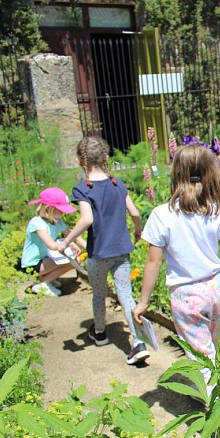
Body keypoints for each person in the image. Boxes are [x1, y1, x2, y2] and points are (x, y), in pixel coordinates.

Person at [131, 143, 220, 438]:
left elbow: (153, 262)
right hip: (216, 287)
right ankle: (211, 394)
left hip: (186, 294)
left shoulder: (161, 215)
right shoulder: (216, 212)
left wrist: (142, 302)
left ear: (176, 174)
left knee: (201, 354)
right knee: (212, 348)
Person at [57, 136, 148, 366]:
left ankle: (99, 333)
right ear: (106, 158)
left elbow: (86, 219)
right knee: (126, 295)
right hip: (121, 252)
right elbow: (135, 213)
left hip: (98, 254)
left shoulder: (82, 189)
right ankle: (138, 343)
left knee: (99, 293)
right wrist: (138, 231)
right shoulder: (118, 184)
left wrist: (66, 242)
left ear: (80, 161)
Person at [21, 187, 87, 296]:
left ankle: (49, 279)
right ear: (48, 208)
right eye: (60, 209)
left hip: (45, 259)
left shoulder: (56, 221)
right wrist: (67, 244)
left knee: (74, 259)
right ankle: (42, 283)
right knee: (73, 261)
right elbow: (51, 245)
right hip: (32, 264)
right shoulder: (37, 223)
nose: (63, 212)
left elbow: (72, 234)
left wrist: (85, 246)